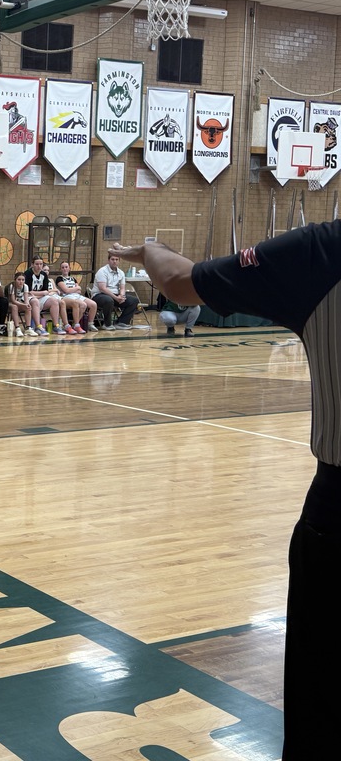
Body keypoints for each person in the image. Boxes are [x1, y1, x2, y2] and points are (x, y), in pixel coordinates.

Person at [108, 230, 341, 760]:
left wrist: (151, 251)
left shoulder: (324, 252)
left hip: (338, 514)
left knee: (324, 705)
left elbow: (179, 282)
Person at [90, 254, 138, 330]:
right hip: (99, 295)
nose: (114, 261)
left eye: (116, 259)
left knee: (134, 300)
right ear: (108, 260)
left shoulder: (121, 273)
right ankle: (107, 324)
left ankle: (122, 322)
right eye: (112, 259)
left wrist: (121, 296)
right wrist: (116, 297)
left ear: (119, 261)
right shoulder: (102, 271)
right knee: (108, 300)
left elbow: (122, 288)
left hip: (115, 295)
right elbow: (102, 288)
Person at [26, 257, 72, 334]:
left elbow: (46, 291)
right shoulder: (27, 274)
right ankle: (38, 327)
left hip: (40, 296)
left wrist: (41, 294)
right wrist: (41, 293)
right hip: (29, 297)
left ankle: (56, 326)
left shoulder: (44, 275)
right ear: (32, 264)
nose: (39, 266)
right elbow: (28, 292)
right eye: (37, 264)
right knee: (35, 301)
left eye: (41, 264)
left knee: (54, 301)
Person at [55, 261, 98, 333]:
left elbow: (79, 290)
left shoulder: (73, 278)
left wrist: (72, 289)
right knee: (83, 305)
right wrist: (75, 289)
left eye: (66, 267)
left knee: (93, 304)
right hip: (67, 297)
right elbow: (66, 290)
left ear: (69, 268)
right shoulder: (59, 279)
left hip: (77, 295)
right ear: (60, 269)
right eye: (63, 267)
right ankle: (76, 325)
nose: (65, 269)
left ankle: (90, 324)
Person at [5, 271, 42, 337]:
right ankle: (17, 328)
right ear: (15, 280)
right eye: (19, 280)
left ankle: (28, 328)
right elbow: (13, 300)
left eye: (23, 280)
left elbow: (26, 299)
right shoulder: (12, 286)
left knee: (28, 307)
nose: (21, 281)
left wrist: (27, 304)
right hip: (10, 304)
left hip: (19, 303)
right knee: (14, 307)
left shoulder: (25, 286)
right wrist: (23, 305)